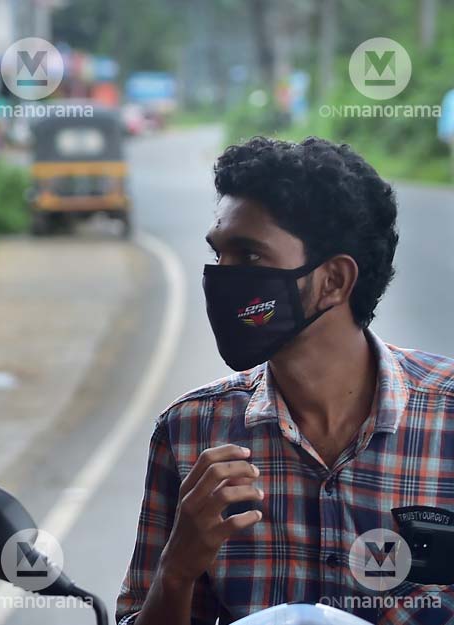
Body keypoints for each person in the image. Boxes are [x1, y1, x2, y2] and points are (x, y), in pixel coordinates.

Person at [117, 136, 454, 624]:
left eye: (250, 258)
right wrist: (177, 569)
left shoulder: (446, 419)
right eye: (219, 256)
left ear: (333, 281)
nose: (221, 279)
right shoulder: (192, 432)